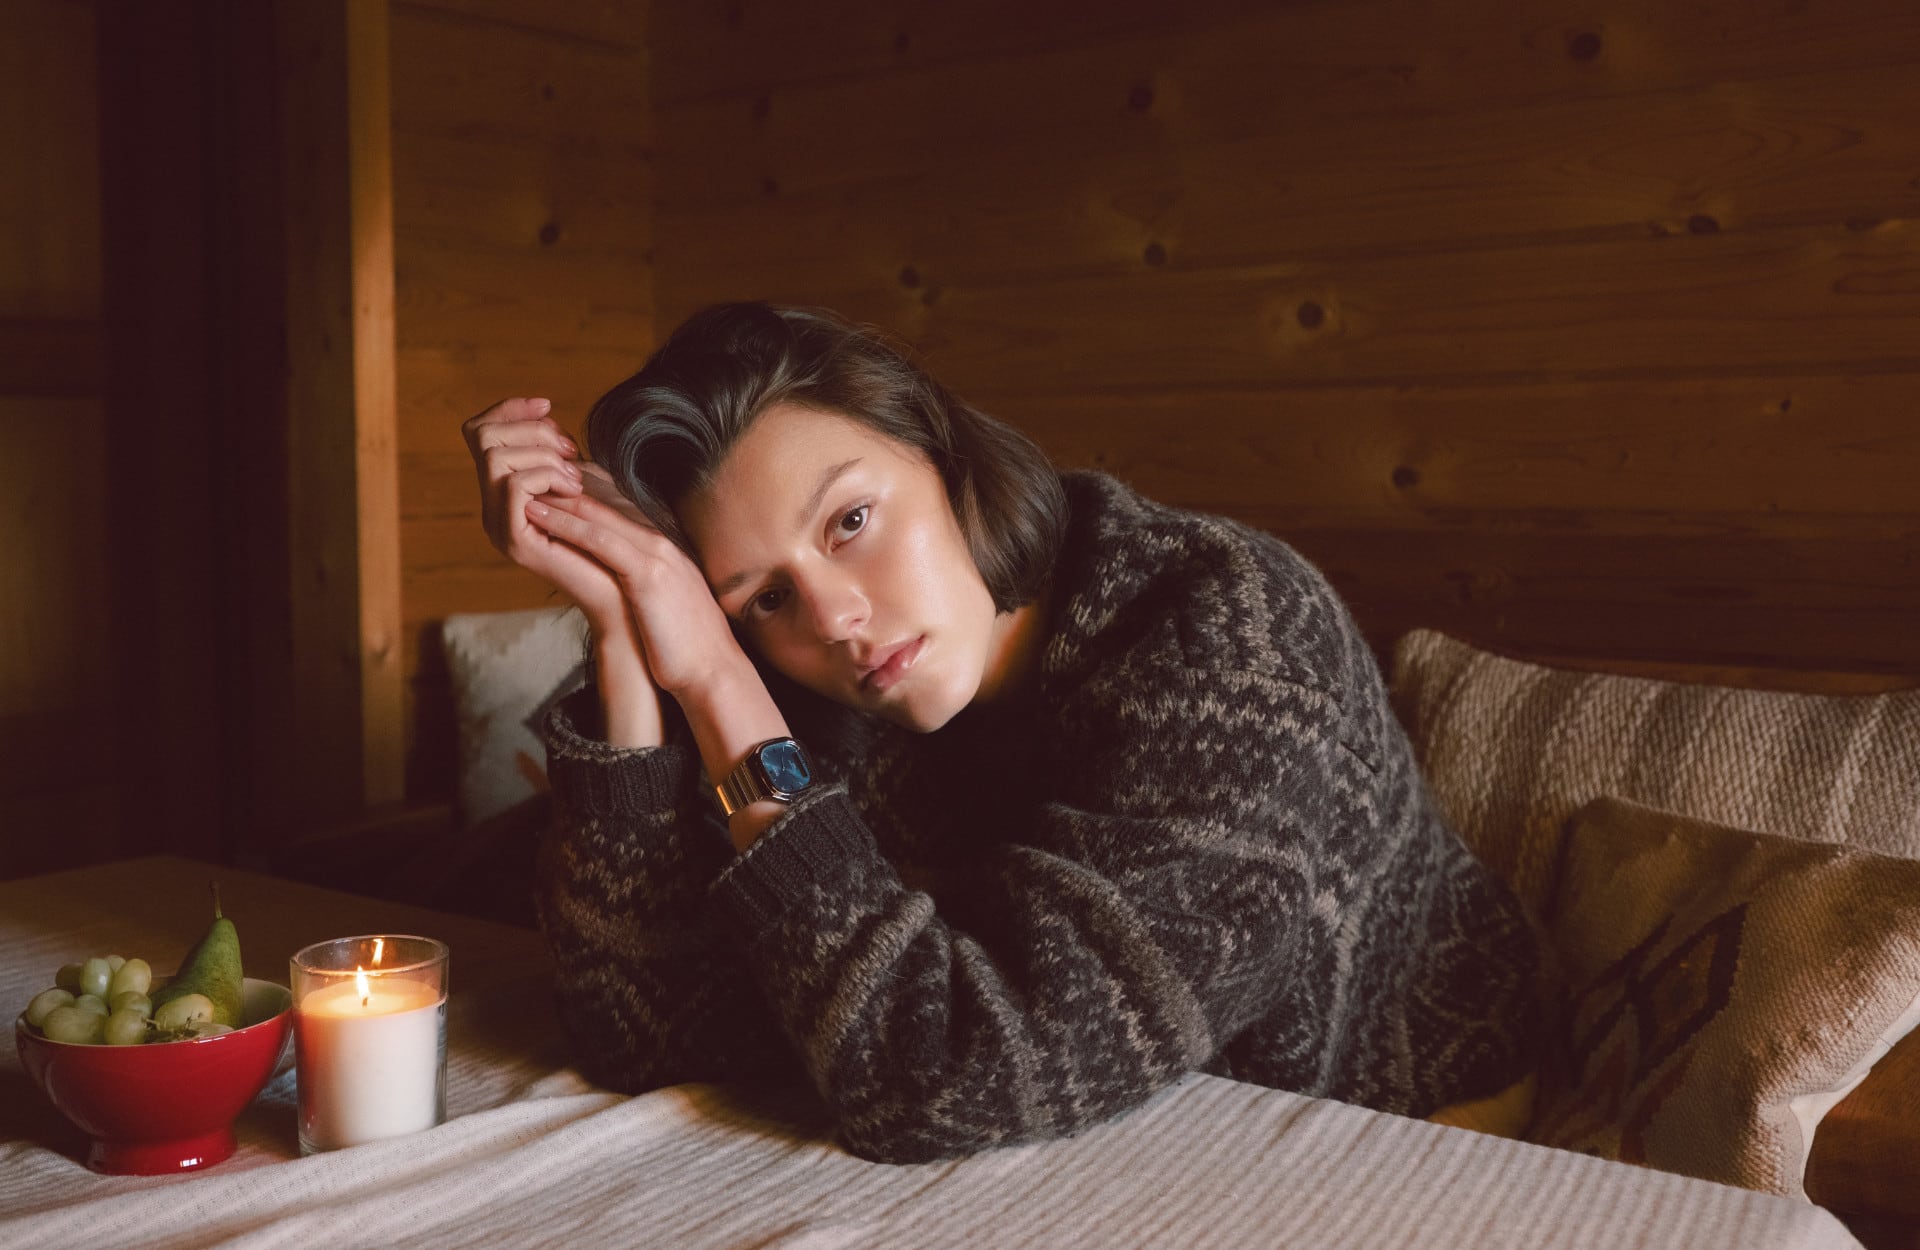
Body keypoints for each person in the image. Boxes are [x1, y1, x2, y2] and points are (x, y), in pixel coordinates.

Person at [460, 301, 1541, 1164]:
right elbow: (639, 1028)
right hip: (1133, 1125)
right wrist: (622, 627)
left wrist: (714, 673)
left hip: (1411, 1121)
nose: (835, 617)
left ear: (941, 451)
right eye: (762, 599)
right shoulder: (826, 692)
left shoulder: (1233, 641)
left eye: (850, 520)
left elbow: (939, 1079)